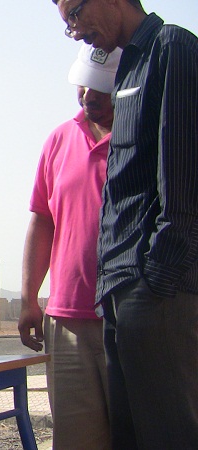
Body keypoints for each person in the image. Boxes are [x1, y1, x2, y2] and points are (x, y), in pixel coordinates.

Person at [52, 1, 198, 448]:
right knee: (130, 436)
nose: (75, 31)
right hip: (118, 291)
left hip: (152, 291)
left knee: (167, 434)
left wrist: (155, 285)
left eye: (75, 14)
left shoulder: (171, 48)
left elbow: (182, 179)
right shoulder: (128, 68)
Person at [19, 43, 120, 450]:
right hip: (66, 322)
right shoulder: (59, 140)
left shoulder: (145, 136)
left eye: (101, 88)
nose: (88, 96)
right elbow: (42, 220)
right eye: (83, 85)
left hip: (128, 318)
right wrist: (29, 298)